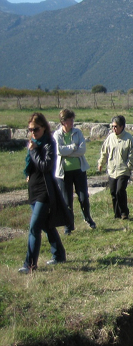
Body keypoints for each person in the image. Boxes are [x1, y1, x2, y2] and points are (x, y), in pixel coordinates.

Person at [19, 113, 71, 274]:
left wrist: (34, 152)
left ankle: (30, 265)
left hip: (45, 191)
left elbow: (45, 166)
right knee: (46, 225)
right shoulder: (33, 143)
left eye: (36, 129)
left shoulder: (49, 143)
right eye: (30, 130)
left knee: (34, 227)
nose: (33, 133)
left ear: (44, 128)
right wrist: (27, 173)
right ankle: (59, 254)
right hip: (33, 190)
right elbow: (32, 166)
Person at [53, 109, 96, 235]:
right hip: (63, 173)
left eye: (73, 119)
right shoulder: (57, 135)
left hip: (79, 170)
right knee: (67, 202)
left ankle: (88, 218)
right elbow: (59, 151)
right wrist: (73, 147)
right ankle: (68, 225)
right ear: (63, 121)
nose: (72, 122)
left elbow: (82, 150)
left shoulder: (78, 132)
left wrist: (69, 152)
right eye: (70, 120)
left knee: (83, 197)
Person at [98, 115, 133, 220]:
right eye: (112, 126)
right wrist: (101, 163)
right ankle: (117, 214)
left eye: (116, 126)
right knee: (113, 192)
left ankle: (124, 212)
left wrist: (129, 166)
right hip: (112, 170)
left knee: (120, 190)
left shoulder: (128, 138)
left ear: (122, 127)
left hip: (123, 170)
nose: (113, 129)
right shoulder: (110, 138)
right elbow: (104, 151)